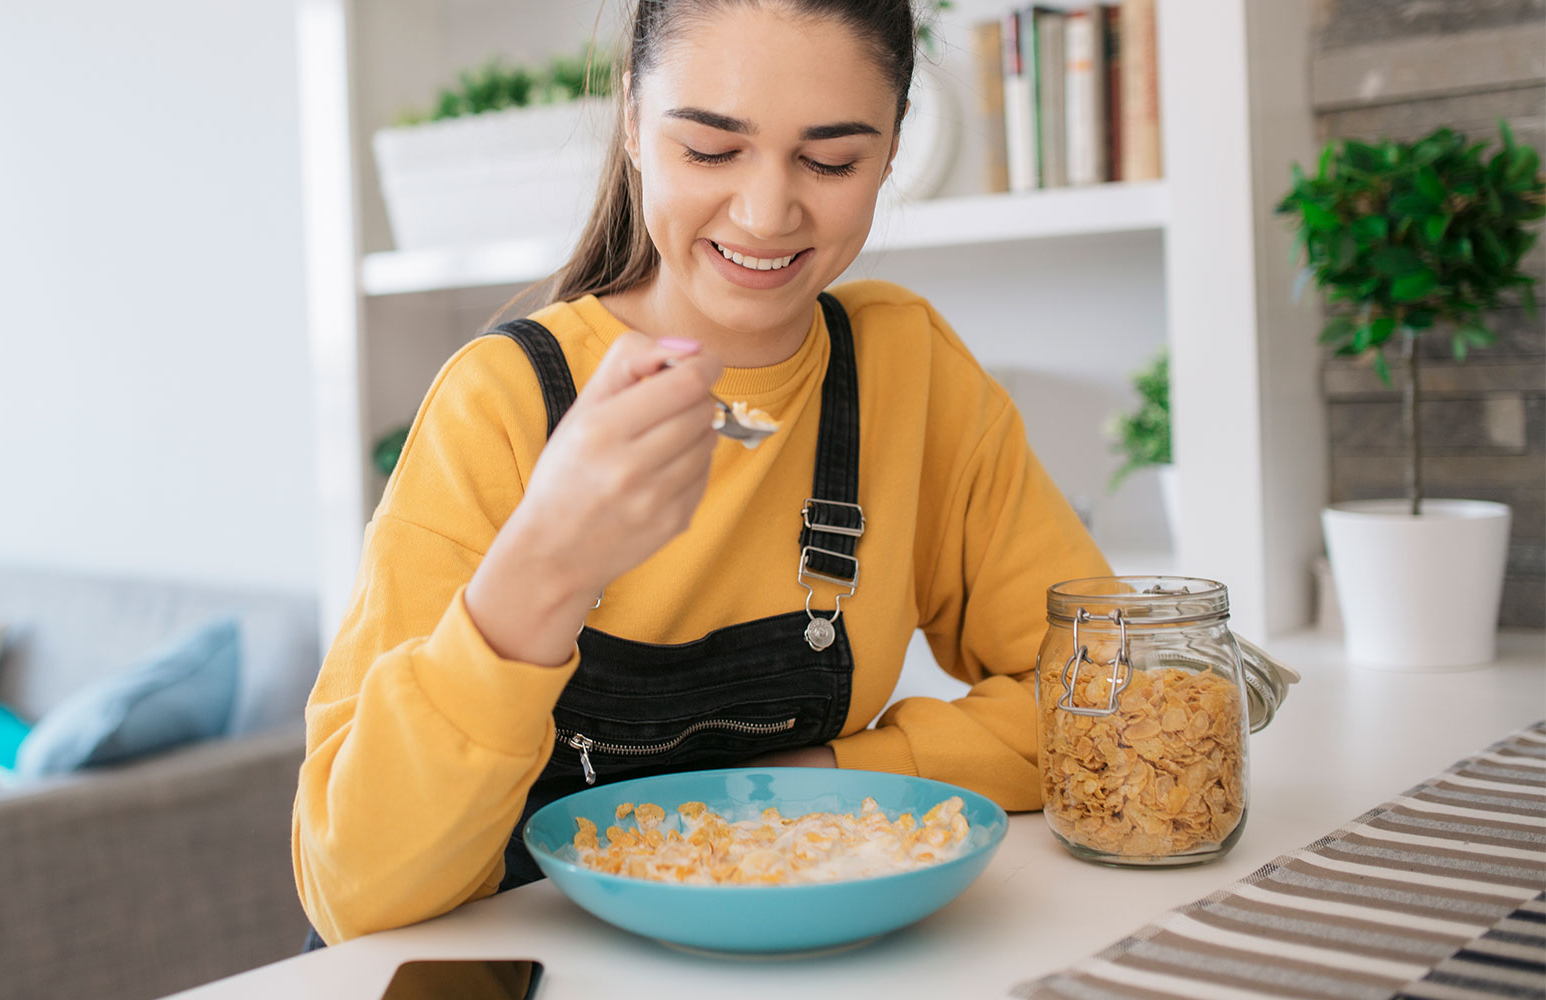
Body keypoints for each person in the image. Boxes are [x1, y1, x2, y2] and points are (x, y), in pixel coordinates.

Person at [292, 0, 1109, 946]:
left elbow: (1102, 696)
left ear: (891, 150)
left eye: (832, 160)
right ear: (635, 120)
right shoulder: (500, 404)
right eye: (712, 151)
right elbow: (352, 888)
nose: (767, 214)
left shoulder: (906, 368)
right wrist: (543, 568)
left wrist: (814, 783)